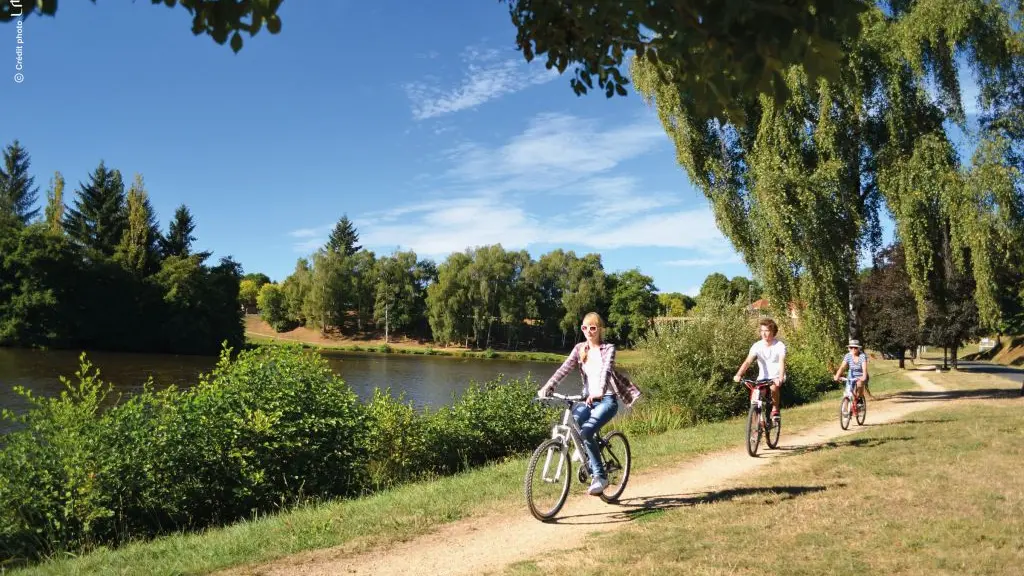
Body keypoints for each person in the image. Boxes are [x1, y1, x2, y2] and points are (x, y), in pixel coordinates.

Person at [537, 311, 618, 496]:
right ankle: (589, 450)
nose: (589, 331)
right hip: (587, 398)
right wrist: (548, 386)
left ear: (600, 329)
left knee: (587, 431)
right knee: (576, 419)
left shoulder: (608, 349)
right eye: (585, 327)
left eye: (593, 327)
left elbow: (606, 372)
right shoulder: (580, 348)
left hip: (606, 399)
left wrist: (599, 392)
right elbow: (564, 369)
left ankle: (600, 477)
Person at [732, 318, 787, 420]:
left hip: (776, 376)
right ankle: (756, 425)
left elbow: (781, 361)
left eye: (767, 331)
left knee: (774, 387)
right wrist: (739, 374)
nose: (764, 334)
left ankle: (775, 409)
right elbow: (748, 361)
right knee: (755, 398)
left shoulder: (779, 345)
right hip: (762, 377)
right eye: (762, 331)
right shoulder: (757, 346)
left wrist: (780, 377)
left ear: (773, 332)